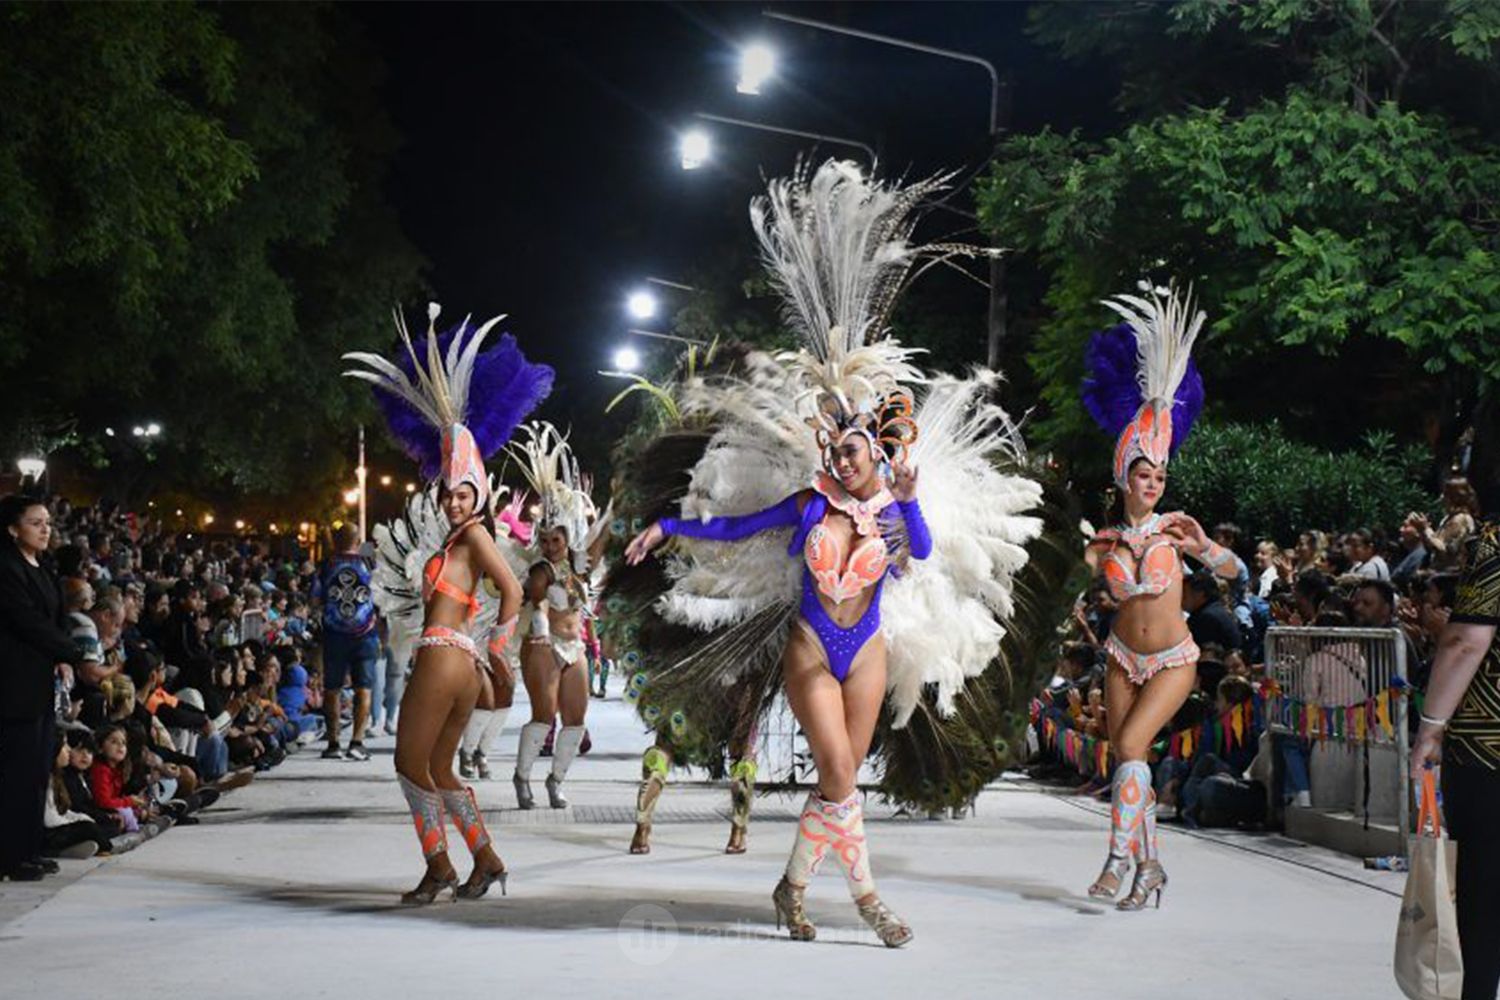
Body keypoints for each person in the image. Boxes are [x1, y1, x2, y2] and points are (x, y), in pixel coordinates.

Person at [621, 162, 1046, 946]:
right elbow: (735, 530)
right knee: (842, 775)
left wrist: (908, 499)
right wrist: (668, 530)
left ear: (875, 452)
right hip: (814, 647)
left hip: (869, 648)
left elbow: (919, 551)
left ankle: (790, 888)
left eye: (853, 451)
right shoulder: (810, 503)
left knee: (837, 780)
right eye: (837, 450)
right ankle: (871, 902)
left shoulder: (892, 509)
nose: (842, 459)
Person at [346, 301, 548, 904]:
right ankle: (485, 859)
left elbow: (513, 589)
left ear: (478, 493)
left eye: (464, 493)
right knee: (439, 769)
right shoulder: (460, 538)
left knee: (408, 764)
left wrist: (499, 648)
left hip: (444, 657)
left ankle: (438, 866)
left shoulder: (475, 535)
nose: (454, 502)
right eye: (449, 494)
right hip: (457, 660)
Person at [1079, 280, 1242, 910]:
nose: (1153, 484)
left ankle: (1116, 861)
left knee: (1129, 746)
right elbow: (1074, 579)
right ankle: (1150, 867)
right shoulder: (1106, 540)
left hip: (1174, 659)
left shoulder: (1177, 529)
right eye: (1144, 474)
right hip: (1122, 656)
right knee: (1126, 761)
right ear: (1124, 476)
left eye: (1160, 476)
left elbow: (1236, 572)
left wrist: (1205, 546)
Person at [1410, 521, 1500, 1000]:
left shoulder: (1495, 542)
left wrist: (1430, 728)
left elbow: (1466, 639)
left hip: (1489, 745)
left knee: (1483, 900)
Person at [510, 423, 599, 810]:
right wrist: (542, 629)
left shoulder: (579, 564)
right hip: (542, 644)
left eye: (556, 540)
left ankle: (555, 780)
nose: (549, 546)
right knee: (544, 715)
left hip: (574, 646)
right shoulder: (540, 570)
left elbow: (600, 544)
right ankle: (522, 777)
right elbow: (539, 601)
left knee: (576, 720)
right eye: (544, 541)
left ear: (567, 536)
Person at [0, 495, 81, 881]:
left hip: (41, 683)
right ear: (12, 528)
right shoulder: (6, 568)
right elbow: (26, 620)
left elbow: (57, 619)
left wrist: (64, 655)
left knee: (37, 769)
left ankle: (31, 848)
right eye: (35, 523)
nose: (45, 529)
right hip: (13, 683)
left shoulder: (44, 567)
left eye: (47, 522)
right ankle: (11, 856)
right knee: (16, 772)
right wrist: (72, 652)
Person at [312, 524, 379, 761]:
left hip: (334, 634)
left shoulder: (326, 565)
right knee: (364, 688)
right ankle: (357, 743)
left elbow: (315, 599)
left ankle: (333, 744)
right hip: (365, 634)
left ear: (337, 540)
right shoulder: (370, 563)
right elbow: (382, 597)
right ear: (358, 541)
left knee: (332, 689)